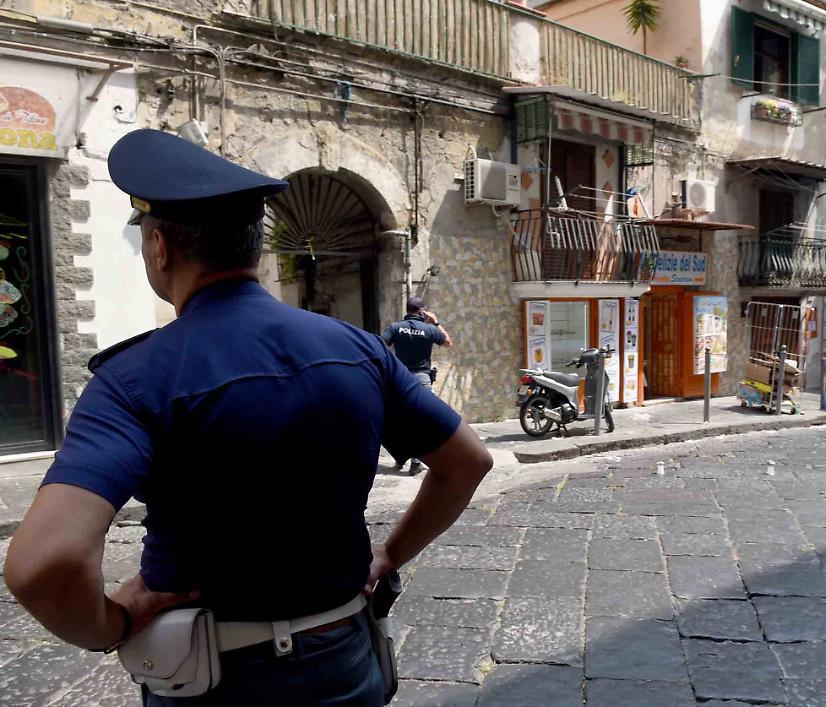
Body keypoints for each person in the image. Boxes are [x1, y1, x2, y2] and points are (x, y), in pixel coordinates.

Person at [2, 129, 493, 706]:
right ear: (254, 249)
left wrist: (110, 625)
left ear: (160, 249)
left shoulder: (135, 379)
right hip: (344, 656)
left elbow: (43, 564)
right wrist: (389, 553)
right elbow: (467, 462)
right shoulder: (357, 348)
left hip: (212, 679)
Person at [381, 297, 453, 474]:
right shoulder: (429, 329)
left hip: (400, 378)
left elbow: (381, 345)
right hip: (421, 378)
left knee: (398, 419)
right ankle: (415, 462)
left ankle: (400, 457)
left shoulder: (396, 327)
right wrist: (436, 321)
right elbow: (447, 342)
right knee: (421, 419)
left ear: (408, 310)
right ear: (421, 311)